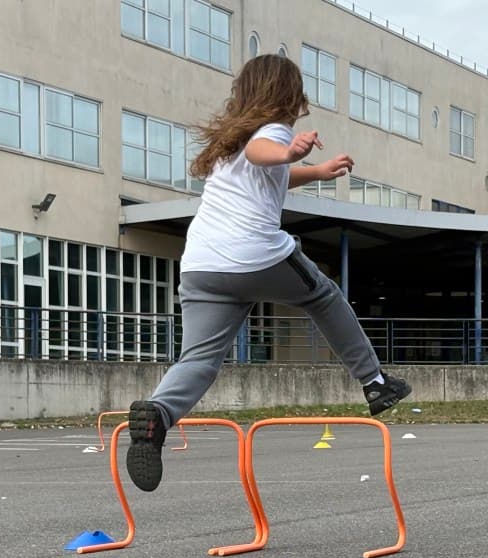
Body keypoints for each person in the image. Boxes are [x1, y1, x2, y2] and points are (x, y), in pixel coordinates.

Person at [125, 54, 411, 492]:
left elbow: (268, 174)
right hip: (254, 255)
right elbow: (267, 155)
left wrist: (315, 169)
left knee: (199, 360)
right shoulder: (272, 130)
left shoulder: (229, 143)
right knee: (323, 296)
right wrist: (289, 148)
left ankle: (157, 417)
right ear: (287, 94)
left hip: (202, 265)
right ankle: (374, 382)